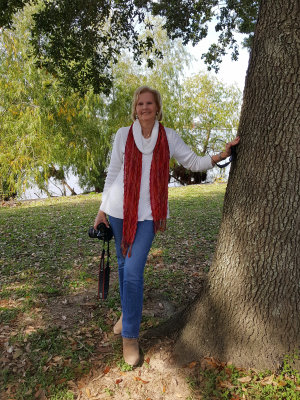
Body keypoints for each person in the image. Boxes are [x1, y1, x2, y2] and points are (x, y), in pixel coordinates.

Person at [94, 86, 240, 366]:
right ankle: (128, 313)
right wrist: (101, 209)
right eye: (140, 103)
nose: (144, 108)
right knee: (124, 268)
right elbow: (112, 173)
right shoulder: (123, 135)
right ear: (135, 108)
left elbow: (193, 162)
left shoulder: (168, 136)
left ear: (157, 107)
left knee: (134, 272)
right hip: (118, 211)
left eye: (149, 103)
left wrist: (221, 156)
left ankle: (130, 336)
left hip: (149, 214)